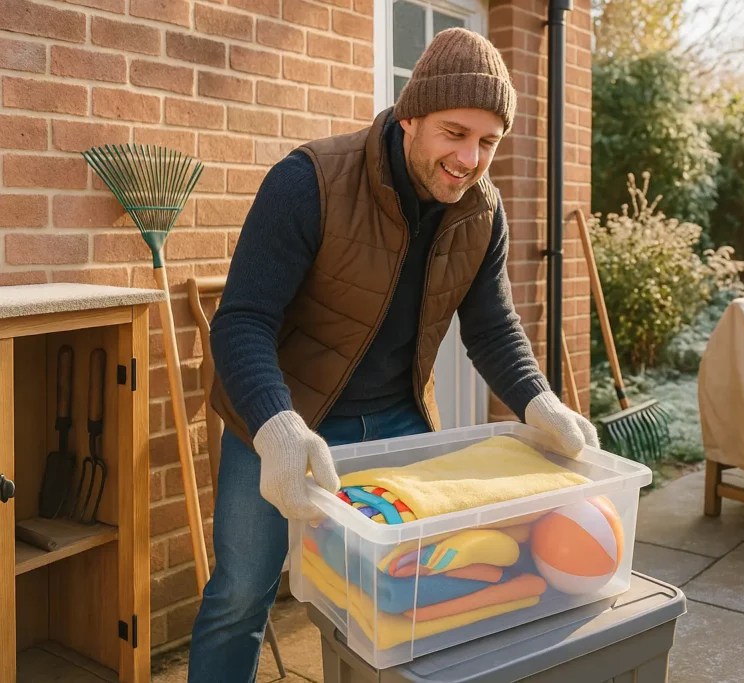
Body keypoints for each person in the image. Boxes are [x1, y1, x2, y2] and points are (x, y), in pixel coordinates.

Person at [186, 27, 599, 682]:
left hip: (397, 422)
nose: (470, 158)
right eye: (454, 132)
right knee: (242, 594)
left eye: (487, 141)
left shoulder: (481, 213)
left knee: (418, 595)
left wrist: (539, 402)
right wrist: (279, 429)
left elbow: (491, 327)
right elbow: (240, 323)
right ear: (410, 117)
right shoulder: (309, 183)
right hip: (280, 419)